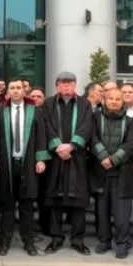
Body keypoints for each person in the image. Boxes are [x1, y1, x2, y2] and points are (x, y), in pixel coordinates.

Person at [0, 79, 48, 256]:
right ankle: (5, 241)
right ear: (7, 92)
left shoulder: (33, 111)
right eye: (12, 88)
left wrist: (41, 159)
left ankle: (28, 242)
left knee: (27, 204)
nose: (15, 91)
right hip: (7, 162)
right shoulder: (0, 110)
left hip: (27, 162)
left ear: (23, 91)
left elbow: (41, 135)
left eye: (18, 88)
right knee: (7, 204)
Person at [42, 71, 93, 255]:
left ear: (75, 85)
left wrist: (71, 146)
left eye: (70, 83)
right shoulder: (48, 104)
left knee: (78, 202)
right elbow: (45, 125)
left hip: (77, 157)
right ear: (57, 86)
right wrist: (57, 146)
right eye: (63, 83)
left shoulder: (84, 103)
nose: (66, 87)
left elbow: (87, 127)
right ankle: (56, 238)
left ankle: (78, 239)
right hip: (55, 157)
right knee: (55, 200)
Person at [89, 84, 133, 258]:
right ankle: (104, 240)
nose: (115, 102)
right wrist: (103, 157)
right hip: (100, 171)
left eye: (118, 99)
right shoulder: (95, 117)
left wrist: (114, 159)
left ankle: (122, 243)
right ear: (104, 100)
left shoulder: (130, 121)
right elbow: (92, 137)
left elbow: (131, 144)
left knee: (121, 212)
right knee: (101, 210)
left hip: (121, 172)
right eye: (111, 98)